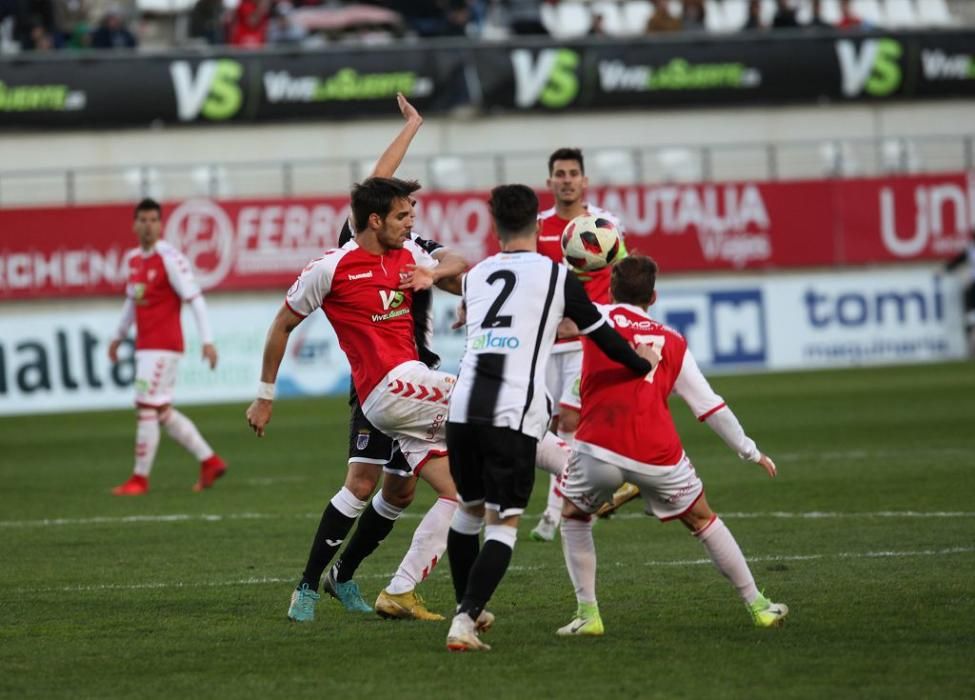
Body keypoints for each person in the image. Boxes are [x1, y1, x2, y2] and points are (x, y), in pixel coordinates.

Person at [443, 185, 660, 652]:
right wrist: (642, 362)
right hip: (511, 413)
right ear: (541, 229)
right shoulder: (557, 276)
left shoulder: (477, 275)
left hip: (461, 411)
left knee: (468, 510)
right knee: (503, 523)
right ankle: (462, 620)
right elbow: (601, 333)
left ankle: (469, 606)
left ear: (494, 226)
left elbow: (469, 311)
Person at [556, 255, 789, 637]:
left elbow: (556, 322)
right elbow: (710, 405)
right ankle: (759, 606)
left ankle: (589, 614)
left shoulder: (595, 317)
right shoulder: (674, 341)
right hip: (657, 452)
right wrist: (750, 450)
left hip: (599, 445)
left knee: (574, 516)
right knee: (702, 520)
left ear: (612, 288)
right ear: (654, 296)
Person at [530, 147, 630, 542]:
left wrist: (605, 321)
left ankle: (553, 515)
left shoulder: (606, 225)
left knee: (570, 421)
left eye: (574, 173)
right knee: (549, 425)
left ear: (584, 181)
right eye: (560, 173)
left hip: (587, 342)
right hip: (546, 342)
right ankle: (613, 479)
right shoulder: (537, 227)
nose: (567, 179)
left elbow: (625, 272)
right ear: (550, 181)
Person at [109, 198, 226, 496]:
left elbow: (195, 299)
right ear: (135, 225)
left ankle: (139, 479)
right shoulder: (134, 259)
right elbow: (130, 302)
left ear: (160, 225)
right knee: (161, 410)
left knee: (146, 406)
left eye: (153, 221)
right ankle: (209, 461)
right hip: (145, 346)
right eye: (143, 220)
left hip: (164, 345)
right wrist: (117, 336)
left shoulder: (170, 258)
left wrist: (208, 341)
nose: (148, 226)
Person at [945, 229, 975, 356]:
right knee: (971, 319)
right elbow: (953, 264)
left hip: (972, 289)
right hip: (972, 289)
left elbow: (952, 265)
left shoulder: (970, 251)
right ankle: (971, 348)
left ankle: (971, 348)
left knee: (971, 320)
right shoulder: (970, 251)